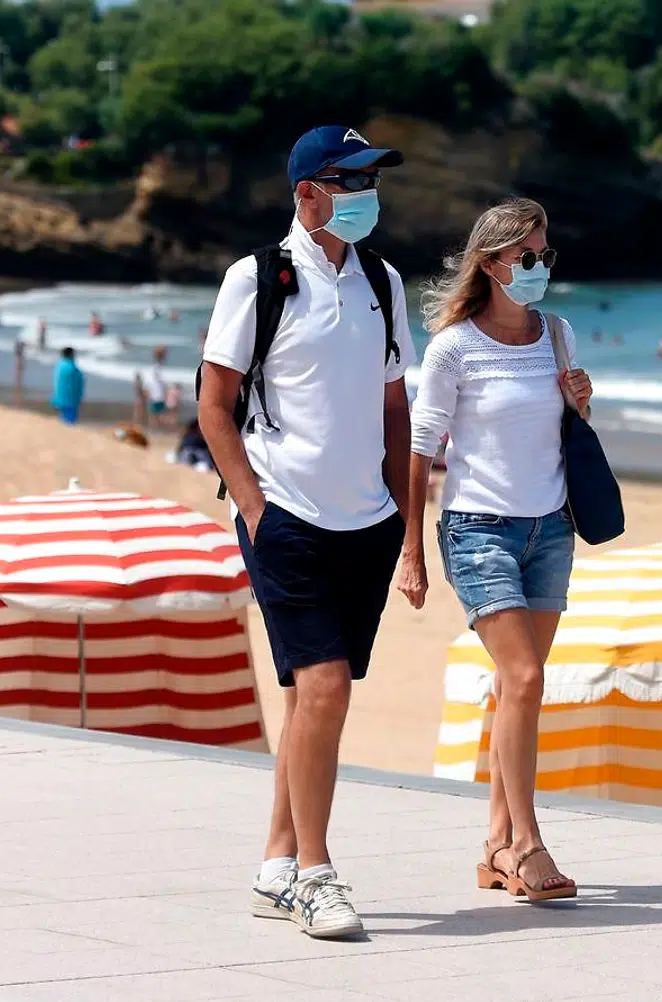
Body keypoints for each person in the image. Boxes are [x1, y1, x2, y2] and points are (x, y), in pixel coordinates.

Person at [199, 125, 415, 939]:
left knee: (310, 700)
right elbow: (214, 405)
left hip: (368, 520)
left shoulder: (383, 282)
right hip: (285, 515)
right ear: (308, 194)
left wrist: (406, 518)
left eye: (372, 181)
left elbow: (397, 409)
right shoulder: (257, 280)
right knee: (323, 690)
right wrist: (256, 510)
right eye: (351, 181)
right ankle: (318, 876)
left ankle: (275, 865)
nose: (367, 196)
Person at [396, 197, 589, 904]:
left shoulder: (559, 335)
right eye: (527, 257)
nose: (539, 268)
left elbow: (560, 433)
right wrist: (411, 551)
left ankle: (497, 848)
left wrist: (580, 400)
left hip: (551, 528)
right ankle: (530, 843)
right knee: (527, 678)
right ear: (492, 263)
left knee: (517, 687)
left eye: (546, 256)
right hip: (478, 530)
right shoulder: (455, 347)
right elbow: (421, 449)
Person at [50, 347, 84, 424]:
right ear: (71, 355)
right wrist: (79, 400)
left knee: (63, 421)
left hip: (59, 399)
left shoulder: (59, 366)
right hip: (71, 401)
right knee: (69, 423)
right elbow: (78, 386)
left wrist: (55, 400)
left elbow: (56, 384)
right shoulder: (73, 368)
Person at [145, 345, 170, 428]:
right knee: (158, 413)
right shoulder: (157, 367)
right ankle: (156, 428)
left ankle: (155, 427)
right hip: (157, 393)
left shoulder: (156, 366)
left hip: (157, 392)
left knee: (156, 413)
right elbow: (155, 381)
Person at [13, 339, 26, 404]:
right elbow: (20, 367)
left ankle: (17, 400)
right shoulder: (20, 357)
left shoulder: (19, 356)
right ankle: (17, 401)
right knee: (18, 385)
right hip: (19, 373)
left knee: (18, 385)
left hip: (18, 373)